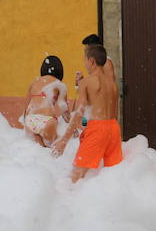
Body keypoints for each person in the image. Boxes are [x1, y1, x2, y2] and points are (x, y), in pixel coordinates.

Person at [52, 46, 122, 181]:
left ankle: (70, 193)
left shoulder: (87, 82)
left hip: (97, 129)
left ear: (91, 61)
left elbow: (79, 112)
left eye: (84, 60)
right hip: (113, 128)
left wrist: (64, 140)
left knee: (76, 176)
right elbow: (112, 110)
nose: (84, 64)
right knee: (113, 175)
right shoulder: (112, 84)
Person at [21, 56, 69, 148]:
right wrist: (73, 128)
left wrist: (26, 125)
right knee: (50, 151)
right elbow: (65, 111)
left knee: (36, 150)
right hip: (48, 121)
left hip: (30, 120)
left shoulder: (33, 83)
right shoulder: (59, 84)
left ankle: (38, 138)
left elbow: (25, 108)